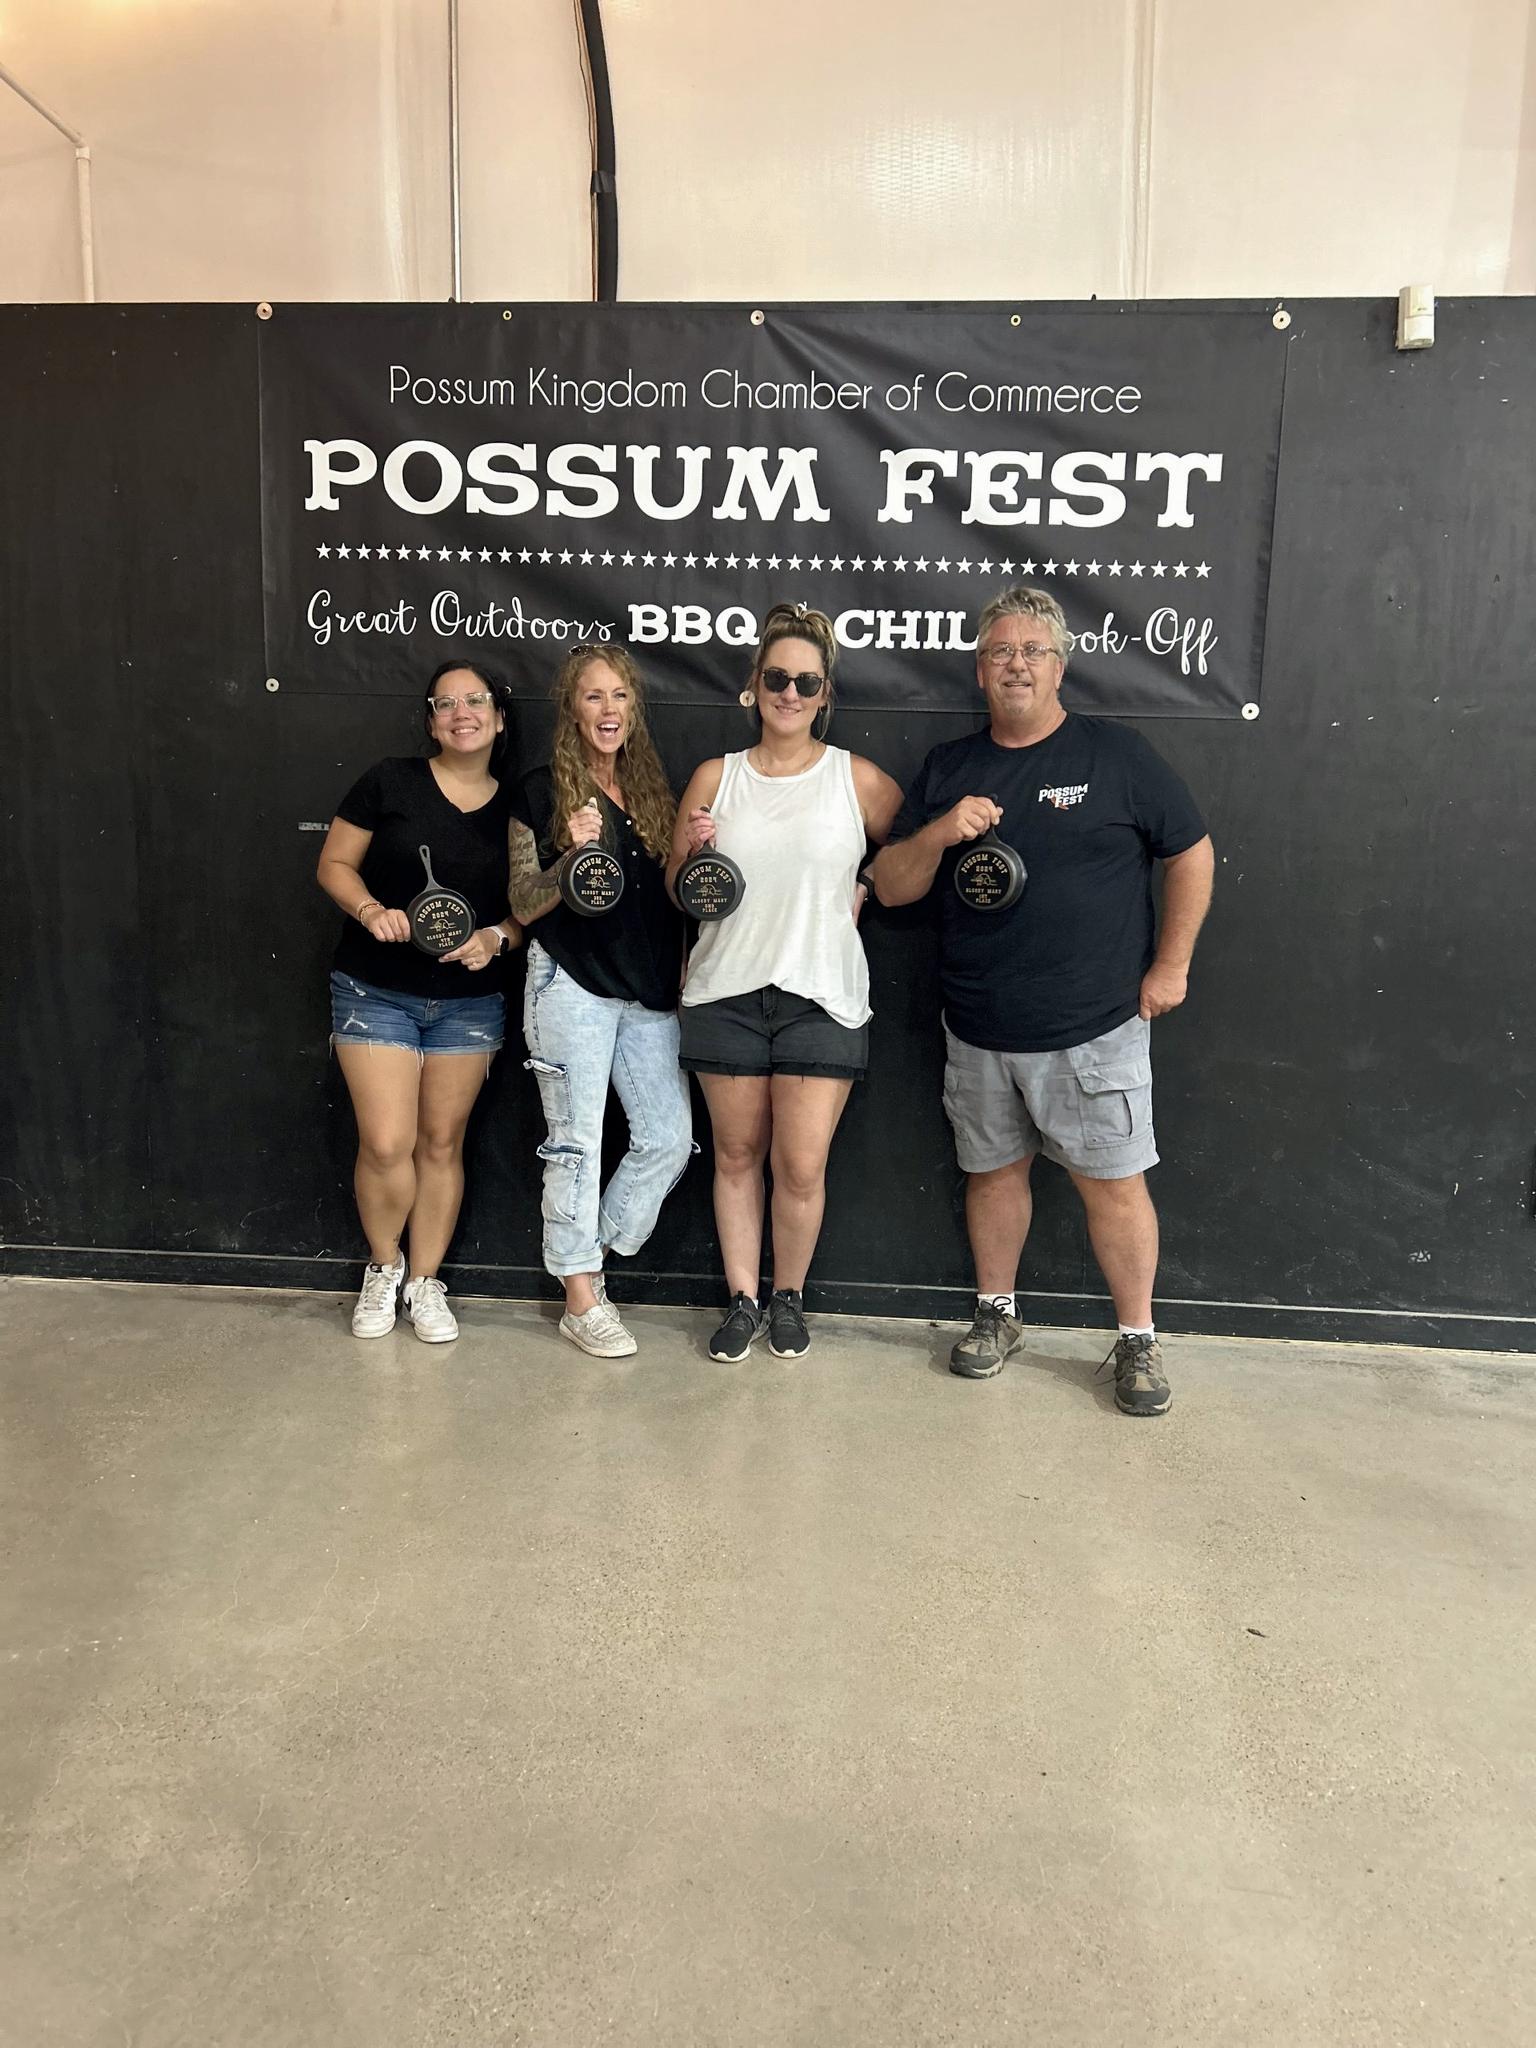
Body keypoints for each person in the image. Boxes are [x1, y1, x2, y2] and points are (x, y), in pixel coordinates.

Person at [871, 586, 1214, 1416]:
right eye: (1000, 652)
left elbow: (1192, 852)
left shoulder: (1116, 755)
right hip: (979, 1026)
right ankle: (997, 1314)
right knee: (992, 1176)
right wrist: (939, 830)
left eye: (1033, 651)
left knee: (1115, 1184)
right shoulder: (951, 767)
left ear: (1060, 667)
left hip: (1093, 1026)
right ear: (979, 670)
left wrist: (1171, 966)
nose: (1016, 665)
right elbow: (890, 884)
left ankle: (1138, 1338)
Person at [669, 602, 902, 1363]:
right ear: (754, 684)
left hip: (822, 996)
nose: (790, 693)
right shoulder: (716, 777)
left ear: (825, 692)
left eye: (806, 681)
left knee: (800, 1167)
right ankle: (743, 1299)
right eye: (777, 678)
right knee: (735, 1157)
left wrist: (865, 884)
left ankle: (788, 1298)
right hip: (725, 991)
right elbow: (677, 887)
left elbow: (909, 854)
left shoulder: (854, 778)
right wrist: (693, 852)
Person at [317, 659, 521, 1344]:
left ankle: (426, 1282)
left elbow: (533, 906)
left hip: (470, 1002)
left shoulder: (520, 805)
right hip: (374, 990)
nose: (462, 714)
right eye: (446, 704)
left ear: (499, 717)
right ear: (431, 721)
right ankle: (384, 1267)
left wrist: (496, 937)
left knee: (441, 1144)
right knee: (387, 1143)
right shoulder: (390, 780)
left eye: (476, 701)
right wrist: (370, 909)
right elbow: (334, 865)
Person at [508, 643, 693, 1359]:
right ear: (571, 708)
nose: (609, 709)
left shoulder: (650, 790)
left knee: (668, 1139)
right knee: (576, 1143)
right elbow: (522, 902)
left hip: (647, 992)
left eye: (620, 695)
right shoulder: (540, 790)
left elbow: (669, 899)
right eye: (594, 695)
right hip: (571, 984)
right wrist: (568, 858)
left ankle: (592, 1257)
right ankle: (580, 1298)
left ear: (633, 708)